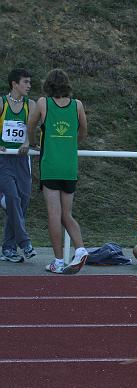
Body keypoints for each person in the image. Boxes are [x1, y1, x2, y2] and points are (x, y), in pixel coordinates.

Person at [26, 69, 89, 274]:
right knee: (67, 214)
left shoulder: (44, 103)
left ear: (48, 85)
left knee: (54, 214)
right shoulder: (77, 105)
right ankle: (80, 249)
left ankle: (59, 261)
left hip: (50, 165)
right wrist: (71, 144)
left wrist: (34, 143)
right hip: (69, 165)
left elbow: (31, 125)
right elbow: (84, 130)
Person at [0, 69, 36, 263]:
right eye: (25, 82)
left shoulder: (30, 105)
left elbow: (33, 131)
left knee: (21, 203)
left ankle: (8, 248)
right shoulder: (2, 103)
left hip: (22, 160)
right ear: (14, 83)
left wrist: (27, 143)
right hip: (3, 159)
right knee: (13, 199)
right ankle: (25, 242)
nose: (29, 85)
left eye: (30, 82)